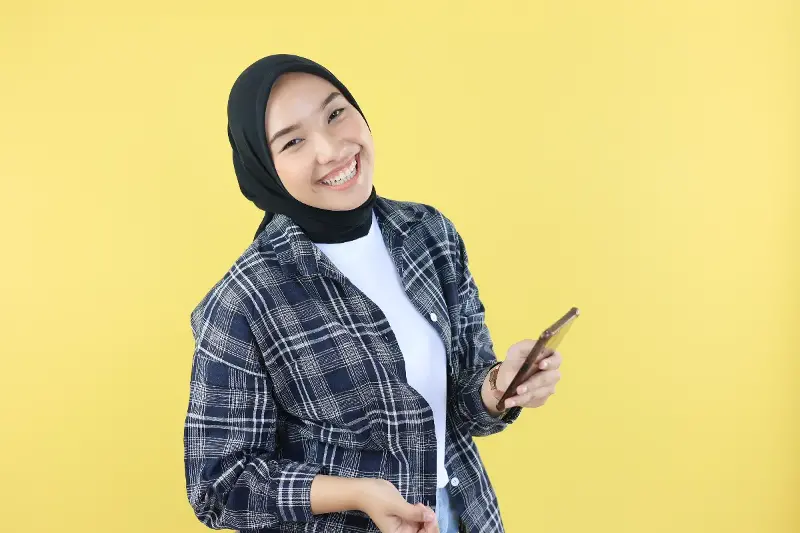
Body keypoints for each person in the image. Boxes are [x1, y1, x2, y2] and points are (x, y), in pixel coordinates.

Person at [183, 54, 563, 533]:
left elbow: (459, 404)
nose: (331, 149)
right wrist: (357, 492)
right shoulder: (244, 301)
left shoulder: (429, 233)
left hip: (466, 515)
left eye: (335, 113)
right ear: (264, 168)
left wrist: (499, 386)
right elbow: (219, 487)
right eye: (293, 141)